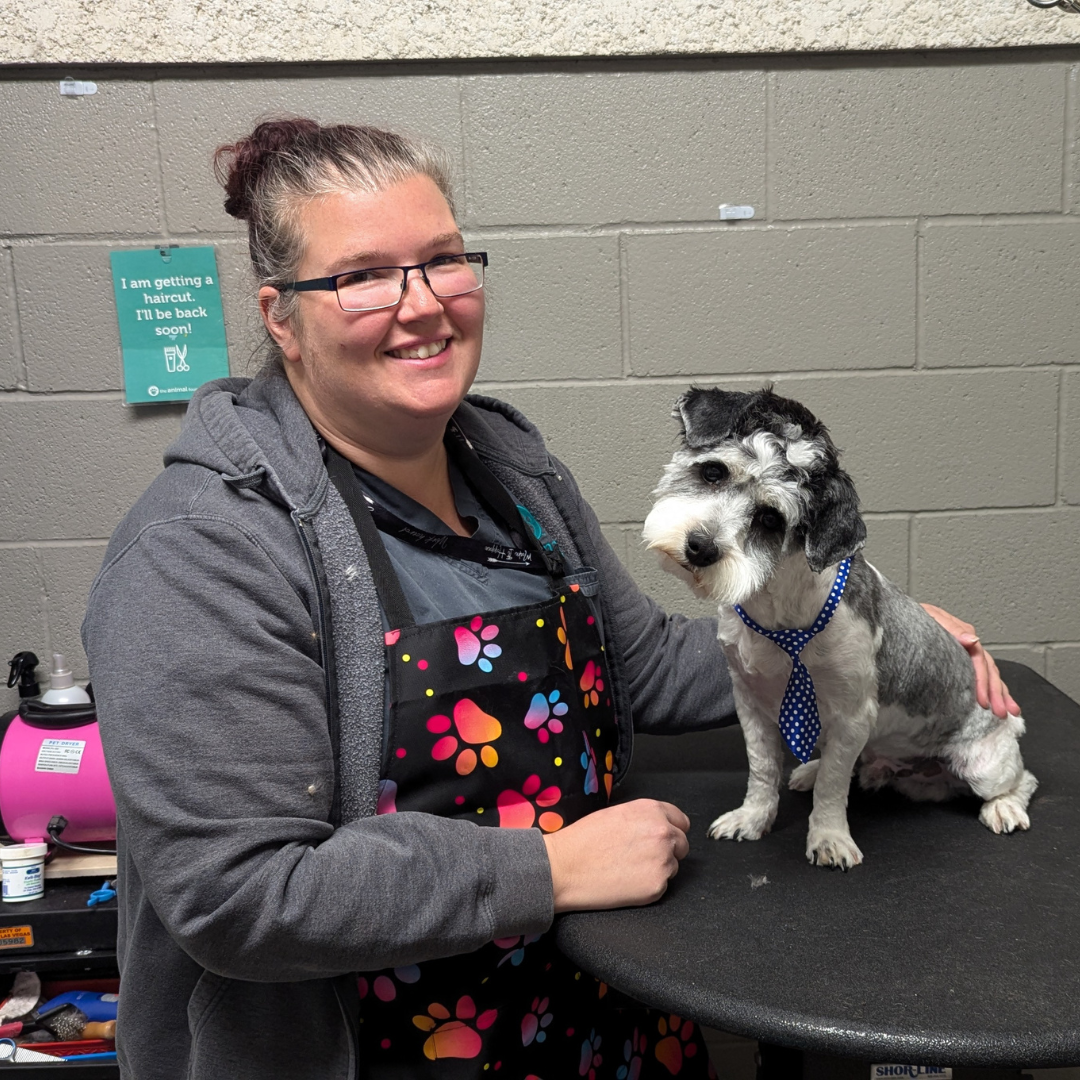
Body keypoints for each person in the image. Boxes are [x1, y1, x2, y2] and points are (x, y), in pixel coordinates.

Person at [82, 118, 1017, 1080]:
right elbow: (241, 897)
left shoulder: (510, 469)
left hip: (594, 1010)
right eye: (362, 275)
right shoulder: (200, 552)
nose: (421, 305)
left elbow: (642, 664)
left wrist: (872, 635)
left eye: (443, 260)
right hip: (380, 1047)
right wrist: (553, 871)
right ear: (281, 317)